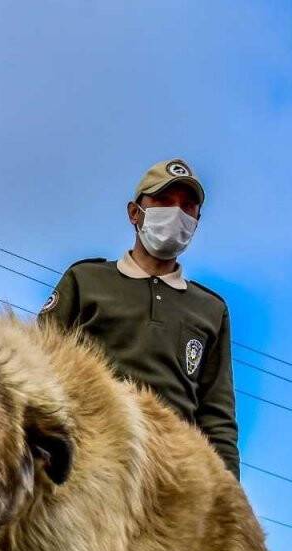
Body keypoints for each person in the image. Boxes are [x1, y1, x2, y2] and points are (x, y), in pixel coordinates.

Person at [38, 158, 239, 477]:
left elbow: (217, 417)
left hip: (171, 474)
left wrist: (228, 496)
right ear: (135, 212)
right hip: (88, 456)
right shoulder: (86, 279)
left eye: (188, 207)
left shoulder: (210, 309)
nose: (177, 214)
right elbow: (37, 368)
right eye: (163, 201)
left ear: (197, 222)